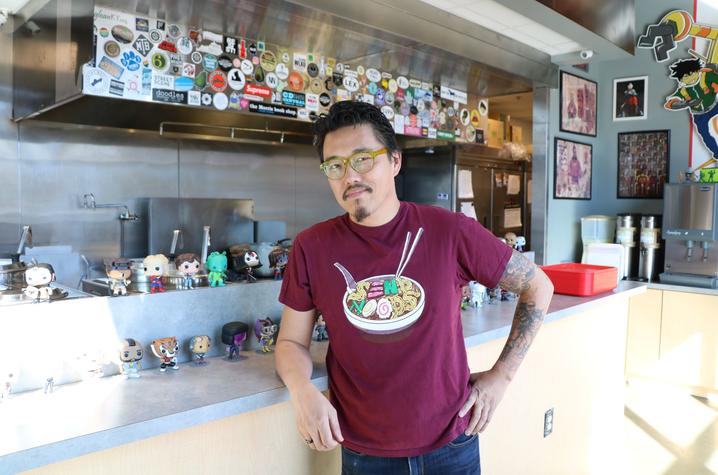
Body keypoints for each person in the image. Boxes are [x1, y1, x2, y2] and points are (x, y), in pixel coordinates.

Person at [275, 101, 554, 474]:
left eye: (362, 159)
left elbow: (538, 286)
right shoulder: (312, 246)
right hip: (363, 452)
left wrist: (501, 377)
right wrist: (302, 391)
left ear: (394, 161)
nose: (349, 176)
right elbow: (291, 343)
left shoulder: (449, 231)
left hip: (452, 443)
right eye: (335, 166)